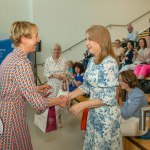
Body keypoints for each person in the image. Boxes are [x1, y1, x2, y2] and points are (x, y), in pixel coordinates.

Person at [0, 21, 67, 150]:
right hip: (13, 118)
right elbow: (38, 103)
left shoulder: (11, 57)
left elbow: (11, 85)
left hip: (6, 113)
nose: (39, 39)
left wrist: (34, 88)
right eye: (36, 36)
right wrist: (58, 100)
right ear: (24, 39)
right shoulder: (22, 63)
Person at [61, 25, 121, 149]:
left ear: (101, 40)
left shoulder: (109, 63)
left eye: (89, 39)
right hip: (94, 113)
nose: (86, 43)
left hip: (106, 118)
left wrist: (81, 105)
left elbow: (107, 98)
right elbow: (86, 86)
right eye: (86, 39)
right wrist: (69, 96)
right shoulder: (93, 61)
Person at [119, 71, 149, 136]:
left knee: (113, 130)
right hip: (131, 119)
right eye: (119, 80)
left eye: (121, 81)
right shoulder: (127, 91)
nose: (119, 83)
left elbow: (126, 114)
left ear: (128, 81)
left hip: (140, 125)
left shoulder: (137, 94)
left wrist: (115, 105)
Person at [44, 43, 67, 128]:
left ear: (60, 50)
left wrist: (64, 76)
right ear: (51, 51)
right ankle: (51, 120)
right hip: (52, 85)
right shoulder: (47, 60)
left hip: (61, 84)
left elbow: (66, 72)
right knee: (52, 102)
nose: (56, 51)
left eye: (58, 49)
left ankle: (59, 119)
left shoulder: (64, 60)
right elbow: (45, 73)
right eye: (54, 49)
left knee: (61, 102)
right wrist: (54, 75)